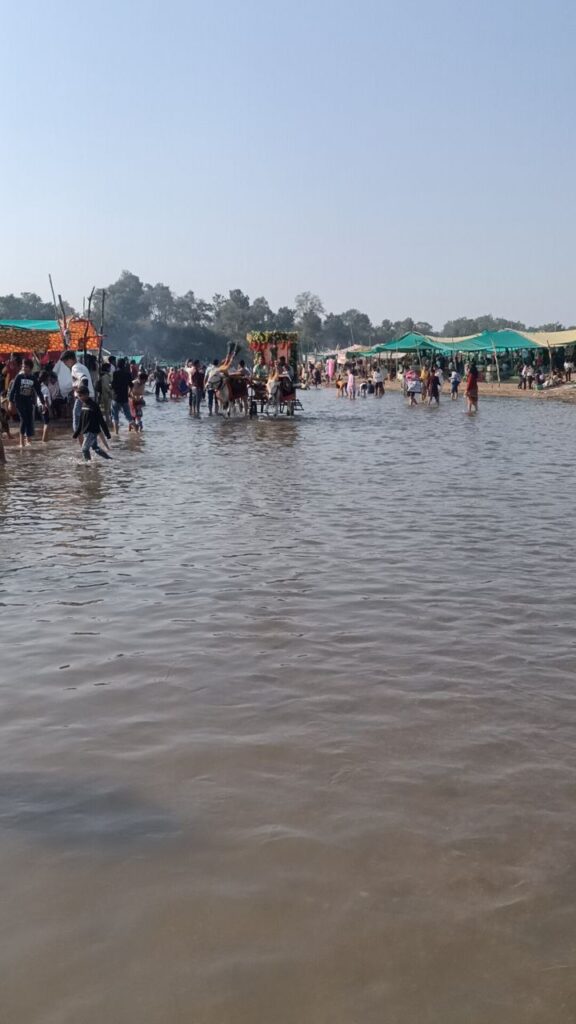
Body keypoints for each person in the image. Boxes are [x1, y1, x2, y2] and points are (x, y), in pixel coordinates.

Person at [8, 358, 46, 448]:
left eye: (25, 367)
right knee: (24, 419)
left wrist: (43, 403)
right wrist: (10, 402)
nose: (23, 368)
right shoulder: (19, 377)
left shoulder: (33, 378)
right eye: (23, 366)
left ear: (30, 368)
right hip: (19, 401)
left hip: (28, 401)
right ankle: (21, 443)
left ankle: (28, 441)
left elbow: (39, 391)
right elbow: (13, 390)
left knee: (29, 420)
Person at [72, 387, 112, 461]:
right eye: (78, 396)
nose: (79, 398)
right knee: (95, 447)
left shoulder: (94, 405)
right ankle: (109, 459)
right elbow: (81, 422)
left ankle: (88, 464)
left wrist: (107, 434)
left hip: (92, 432)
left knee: (84, 449)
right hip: (86, 432)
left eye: (80, 395)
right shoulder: (84, 405)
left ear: (87, 394)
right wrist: (76, 434)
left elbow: (101, 420)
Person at [111, 358, 134, 433]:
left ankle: (116, 433)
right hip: (124, 398)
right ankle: (136, 429)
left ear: (117, 364)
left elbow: (112, 385)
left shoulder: (115, 373)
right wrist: (129, 393)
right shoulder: (128, 374)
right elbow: (131, 385)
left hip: (116, 398)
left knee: (115, 416)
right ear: (124, 365)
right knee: (128, 416)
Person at [38, 370, 52, 442]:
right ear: (46, 378)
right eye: (49, 377)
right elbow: (46, 399)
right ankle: (44, 440)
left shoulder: (39, 386)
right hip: (44, 407)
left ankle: (45, 439)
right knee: (46, 424)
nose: (49, 379)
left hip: (40, 406)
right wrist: (49, 410)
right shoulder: (45, 388)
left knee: (45, 423)